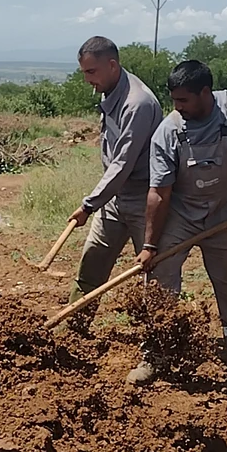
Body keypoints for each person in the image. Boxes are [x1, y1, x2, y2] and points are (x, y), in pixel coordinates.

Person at [129, 60, 227, 386]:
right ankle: (155, 355)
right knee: (159, 282)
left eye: (184, 101)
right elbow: (159, 193)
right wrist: (149, 246)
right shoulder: (168, 131)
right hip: (180, 213)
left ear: (205, 93)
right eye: (174, 101)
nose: (178, 108)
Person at [67, 37, 163, 310]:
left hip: (143, 201)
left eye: (91, 72)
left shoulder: (137, 103)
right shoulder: (109, 92)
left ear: (112, 65)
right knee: (91, 266)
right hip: (113, 199)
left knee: (152, 274)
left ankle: (157, 342)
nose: (87, 80)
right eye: (84, 72)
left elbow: (123, 163)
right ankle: (74, 329)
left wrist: (88, 205)